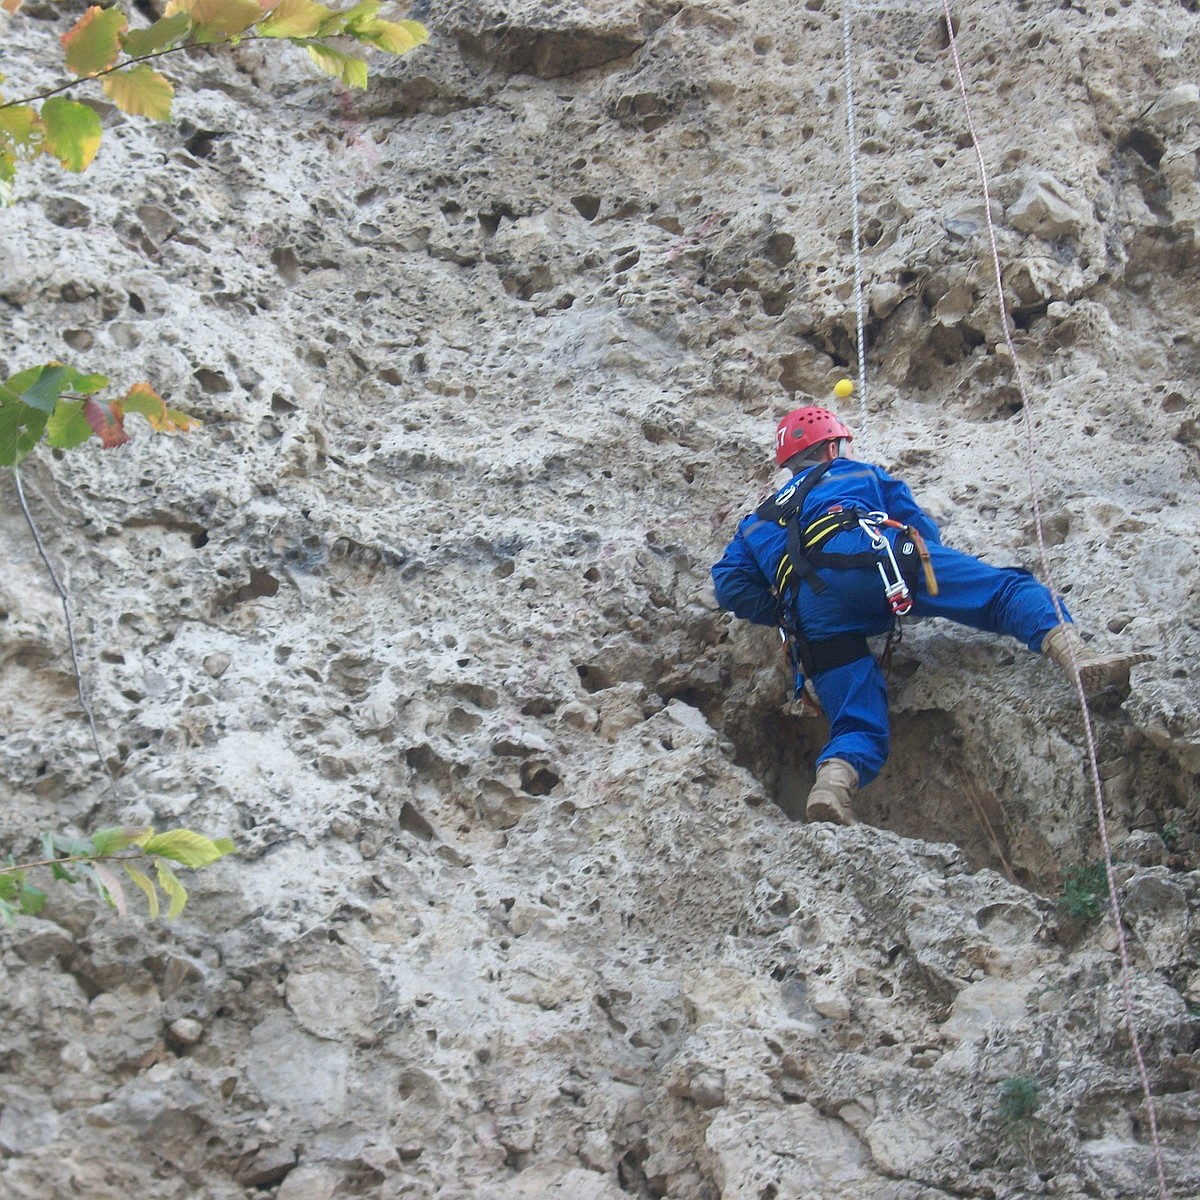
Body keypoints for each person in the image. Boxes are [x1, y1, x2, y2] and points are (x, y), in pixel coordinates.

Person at [711, 401, 1152, 825]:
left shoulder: (756, 521)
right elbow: (922, 532)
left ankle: (831, 785)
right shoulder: (858, 471)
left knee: (856, 716)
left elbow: (729, 585)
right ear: (831, 449)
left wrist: (782, 612)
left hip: (812, 615)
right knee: (1003, 591)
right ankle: (1075, 655)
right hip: (870, 562)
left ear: (789, 463)